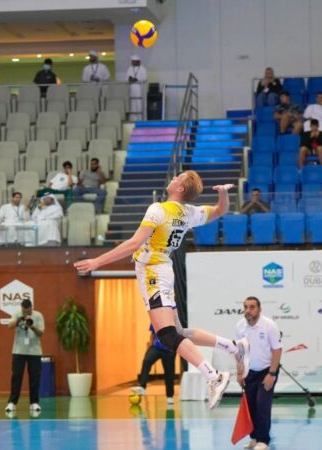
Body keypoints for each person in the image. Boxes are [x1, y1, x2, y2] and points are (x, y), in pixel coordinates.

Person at [74, 171, 245, 410]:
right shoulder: (188, 213)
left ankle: (213, 376)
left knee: (167, 336)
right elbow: (220, 211)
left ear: (181, 189)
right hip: (163, 269)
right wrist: (224, 195)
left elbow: (134, 243)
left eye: (179, 177)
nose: (174, 177)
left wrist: (96, 262)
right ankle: (233, 346)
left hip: (154, 272)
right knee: (179, 332)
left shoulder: (159, 209)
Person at [235, 296, 282, 450]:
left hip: (266, 371)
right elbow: (238, 352)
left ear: (259, 310)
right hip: (249, 372)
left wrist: (272, 374)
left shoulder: (269, 326)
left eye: (252, 307)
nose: (248, 310)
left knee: (262, 405)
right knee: (251, 406)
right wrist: (239, 372)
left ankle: (263, 441)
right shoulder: (240, 327)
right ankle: (254, 438)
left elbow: (277, 350)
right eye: (246, 307)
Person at [5, 299, 45, 414]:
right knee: (16, 377)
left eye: (27, 311)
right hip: (18, 351)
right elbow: (10, 326)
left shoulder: (38, 316)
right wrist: (19, 319)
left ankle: (34, 403)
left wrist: (31, 326)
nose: (26, 313)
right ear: (21, 308)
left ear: (31, 308)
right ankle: (12, 403)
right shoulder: (18, 314)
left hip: (34, 352)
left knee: (34, 378)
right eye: (23, 311)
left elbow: (41, 333)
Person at [131, 324, 176, 405]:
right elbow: (152, 333)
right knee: (147, 361)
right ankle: (142, 386)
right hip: (156, 347)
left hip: (169, 350)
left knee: (169, 372)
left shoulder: (172, 319)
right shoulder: (154, 317)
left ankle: (170, 396)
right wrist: (151, 345)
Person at [127, 55, 148, 121]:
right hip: (132, 89)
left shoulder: (143, 68)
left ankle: (141, 119)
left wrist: (137, 79)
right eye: (133, 61)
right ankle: (133, 120)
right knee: (132, 105)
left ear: (139, 62)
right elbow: (127, 78)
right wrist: (130, 79)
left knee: (139, 104)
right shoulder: (130, 68)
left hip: (139, 89)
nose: (133, 63)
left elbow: (145, 79)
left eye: (135, 61)